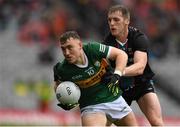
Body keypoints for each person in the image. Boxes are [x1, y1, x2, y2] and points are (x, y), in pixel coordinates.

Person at [53, 31, 138, 126]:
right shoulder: (63, 69)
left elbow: (121, 55)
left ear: (80, 45)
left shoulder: (92, 49)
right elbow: (58, 85)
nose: (66, 53)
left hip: (115, 99)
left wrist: (117, 74)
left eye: (70, 47)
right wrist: (65, 100)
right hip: (91, 107)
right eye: (63, 49)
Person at [103, 4, 164, 126]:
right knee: (103, 123)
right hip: (119, 89)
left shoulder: (138, 37)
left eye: (116, 19)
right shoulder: (107, 43)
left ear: (127, 21)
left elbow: (140, 67)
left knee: (157, 123)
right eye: (109, 20)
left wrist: (118, 72)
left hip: (142, 85)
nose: (112, 23)